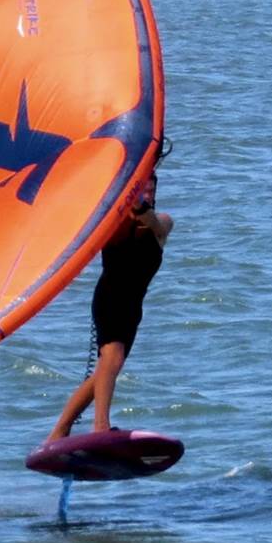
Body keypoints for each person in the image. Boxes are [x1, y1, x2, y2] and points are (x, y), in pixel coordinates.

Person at [47, 173, 171, 442]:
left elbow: (152, 221)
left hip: (133, 309)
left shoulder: (162, 223)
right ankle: (101, 427)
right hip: (109, 299)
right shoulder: (114, 223)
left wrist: (138, 203)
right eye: (142, 190)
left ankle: (58, 432)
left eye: (151, 190)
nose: (147, 194)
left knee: (106, 370)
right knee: (111, 360)